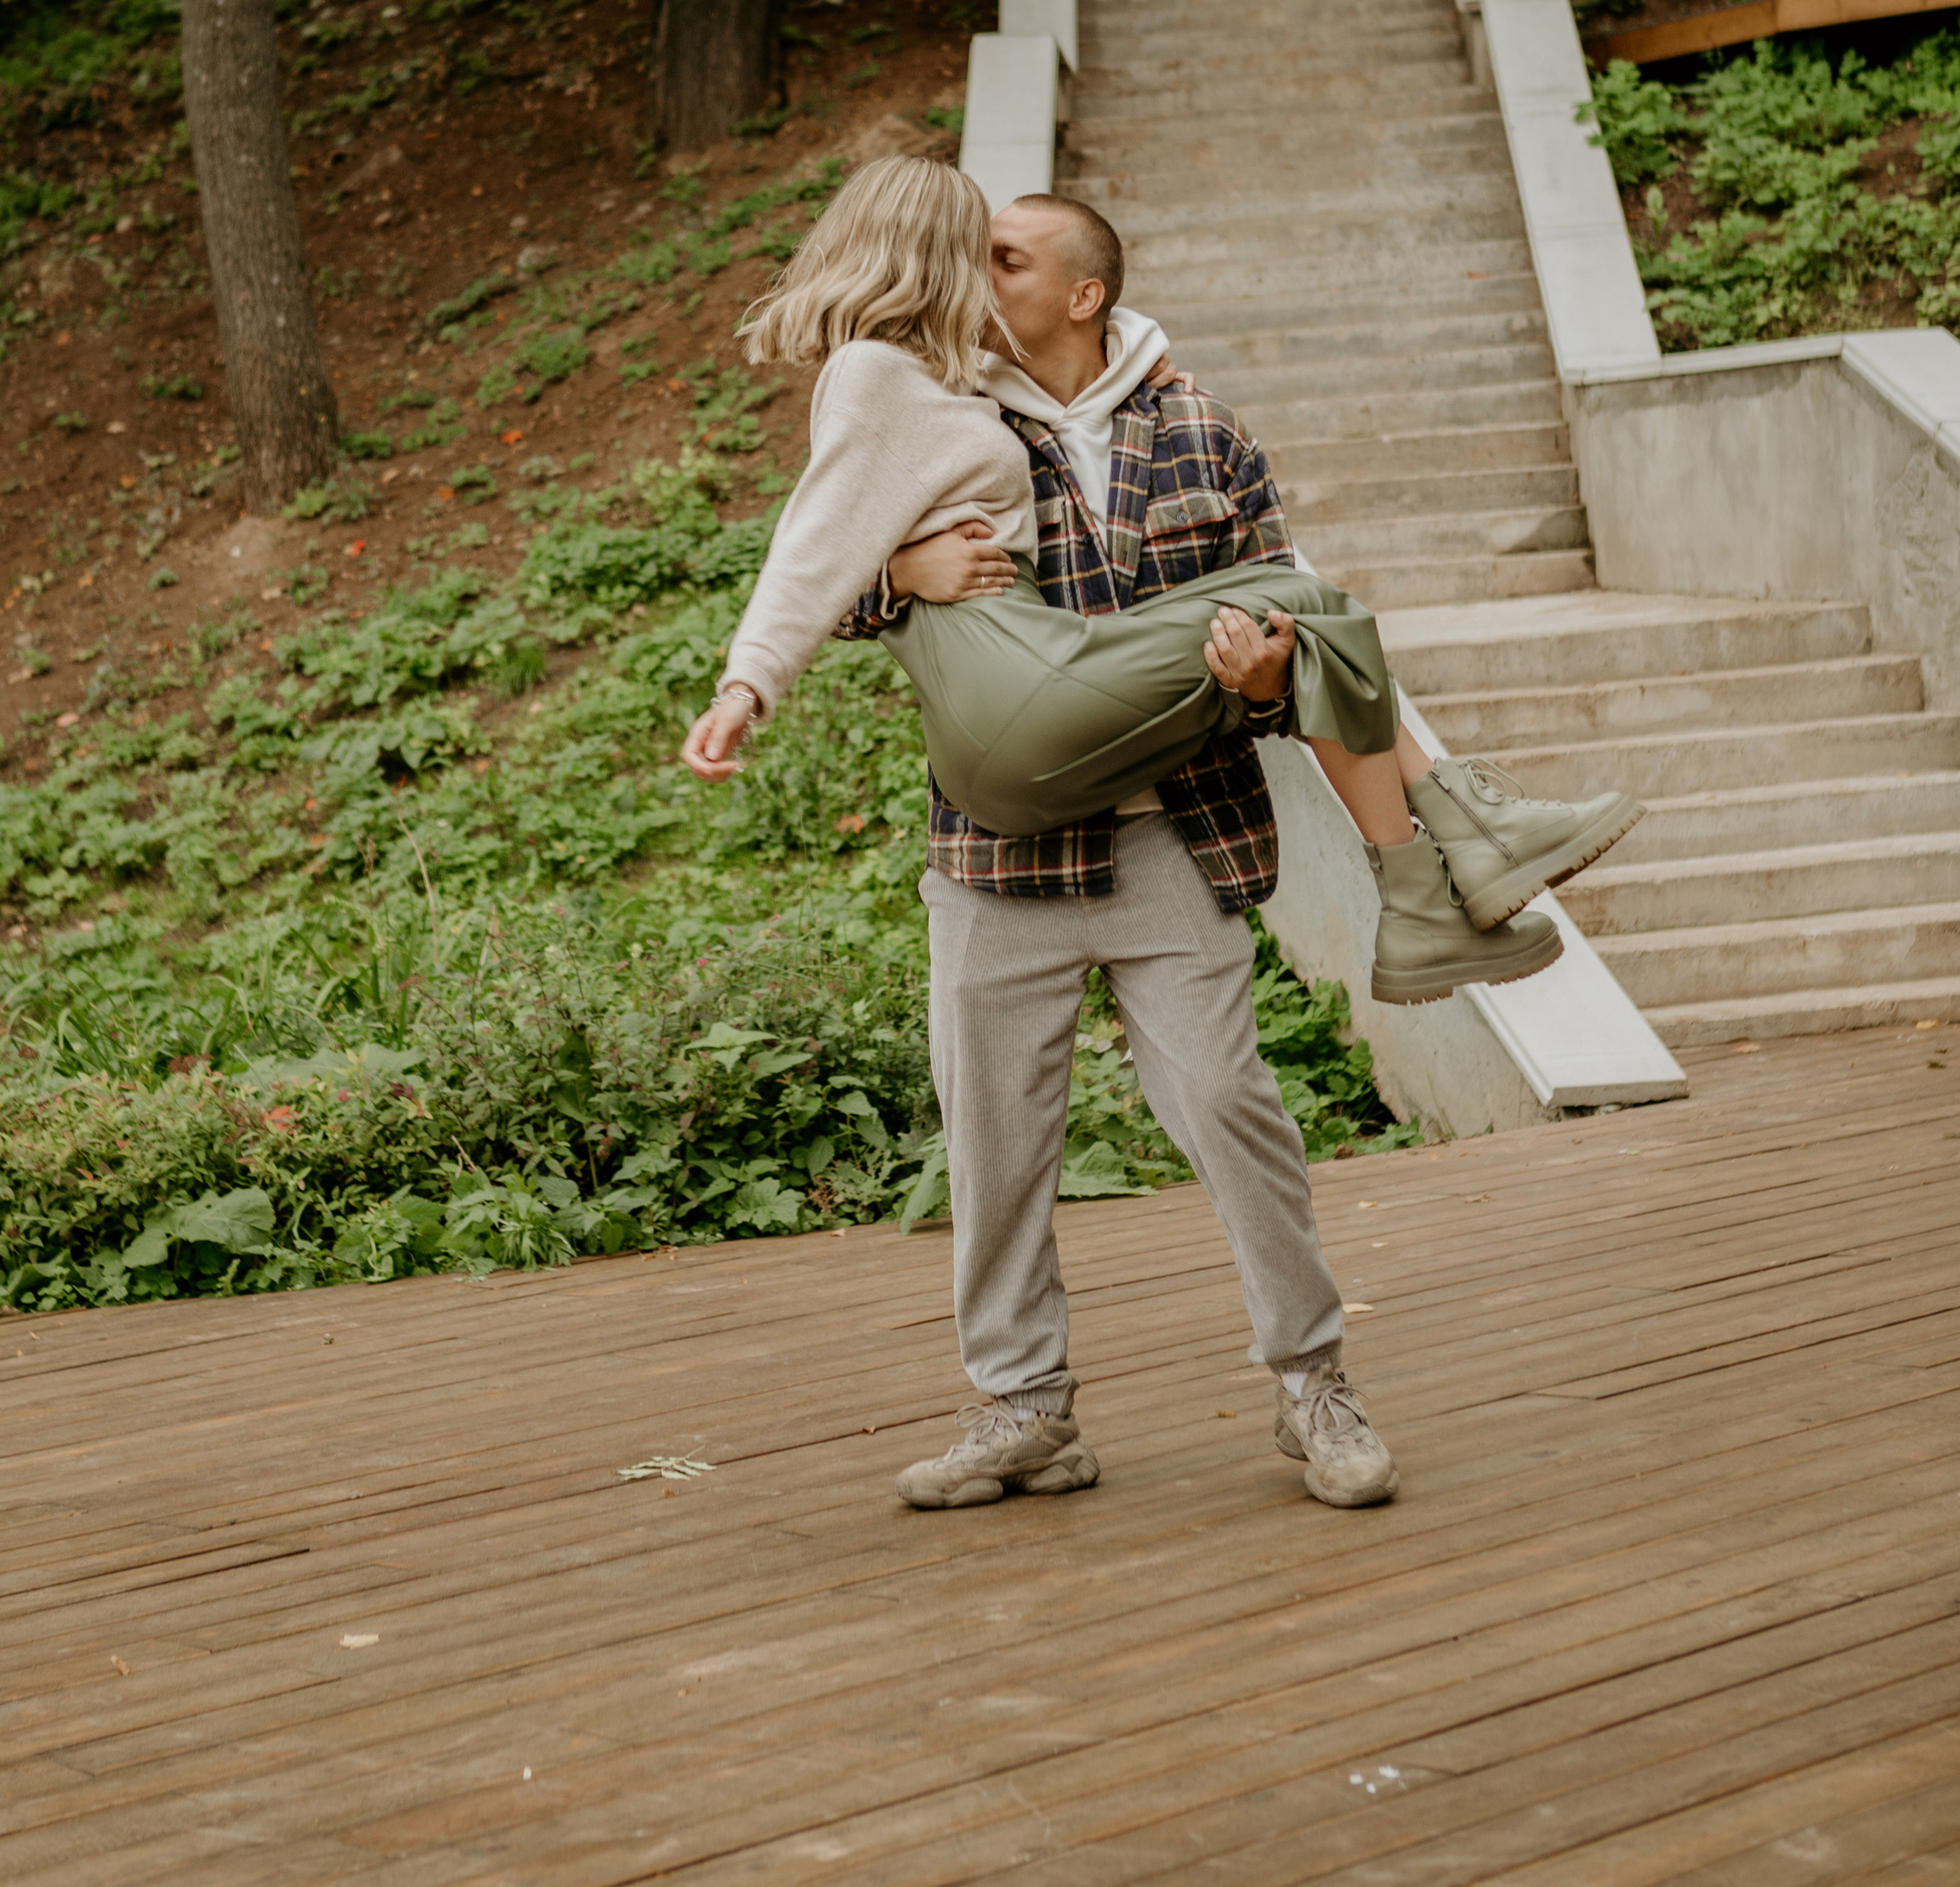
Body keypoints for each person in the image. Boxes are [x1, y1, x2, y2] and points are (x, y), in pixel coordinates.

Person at [680, 168, 1637, 1517]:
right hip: (998, 862)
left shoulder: (1202, 432)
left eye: (1009, 259)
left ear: (1085, 292)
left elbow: (1301, 654)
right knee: (995, 1146)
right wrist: (899, 579)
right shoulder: (948, 397)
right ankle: (1024, 1412)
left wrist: (1259, 687)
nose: (982, 276)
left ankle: (1315, 1386)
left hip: (1168, 838)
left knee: (1236, 1118)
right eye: (975, 255)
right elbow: (825, 554)